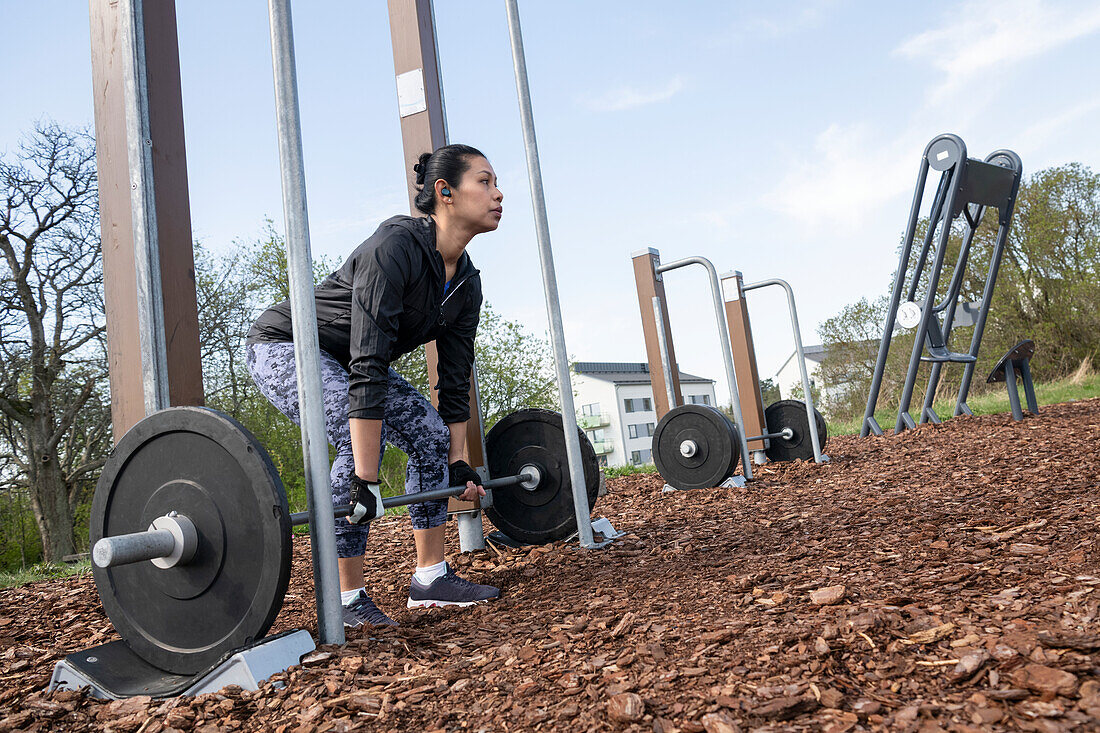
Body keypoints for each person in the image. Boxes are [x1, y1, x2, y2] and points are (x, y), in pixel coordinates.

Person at [245, 144, 505, 628]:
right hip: (287, 345)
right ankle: (346, 599)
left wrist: (454, 461)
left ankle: (431, 579)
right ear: (445, 193)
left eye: (495, 183)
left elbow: (452, 383)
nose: (498, 193)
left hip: (351, 362)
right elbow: (368, 364)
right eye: (485, 182)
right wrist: (365, 480)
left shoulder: (466, 284)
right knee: (357, 436)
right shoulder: (396, 247)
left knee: (429, 434)